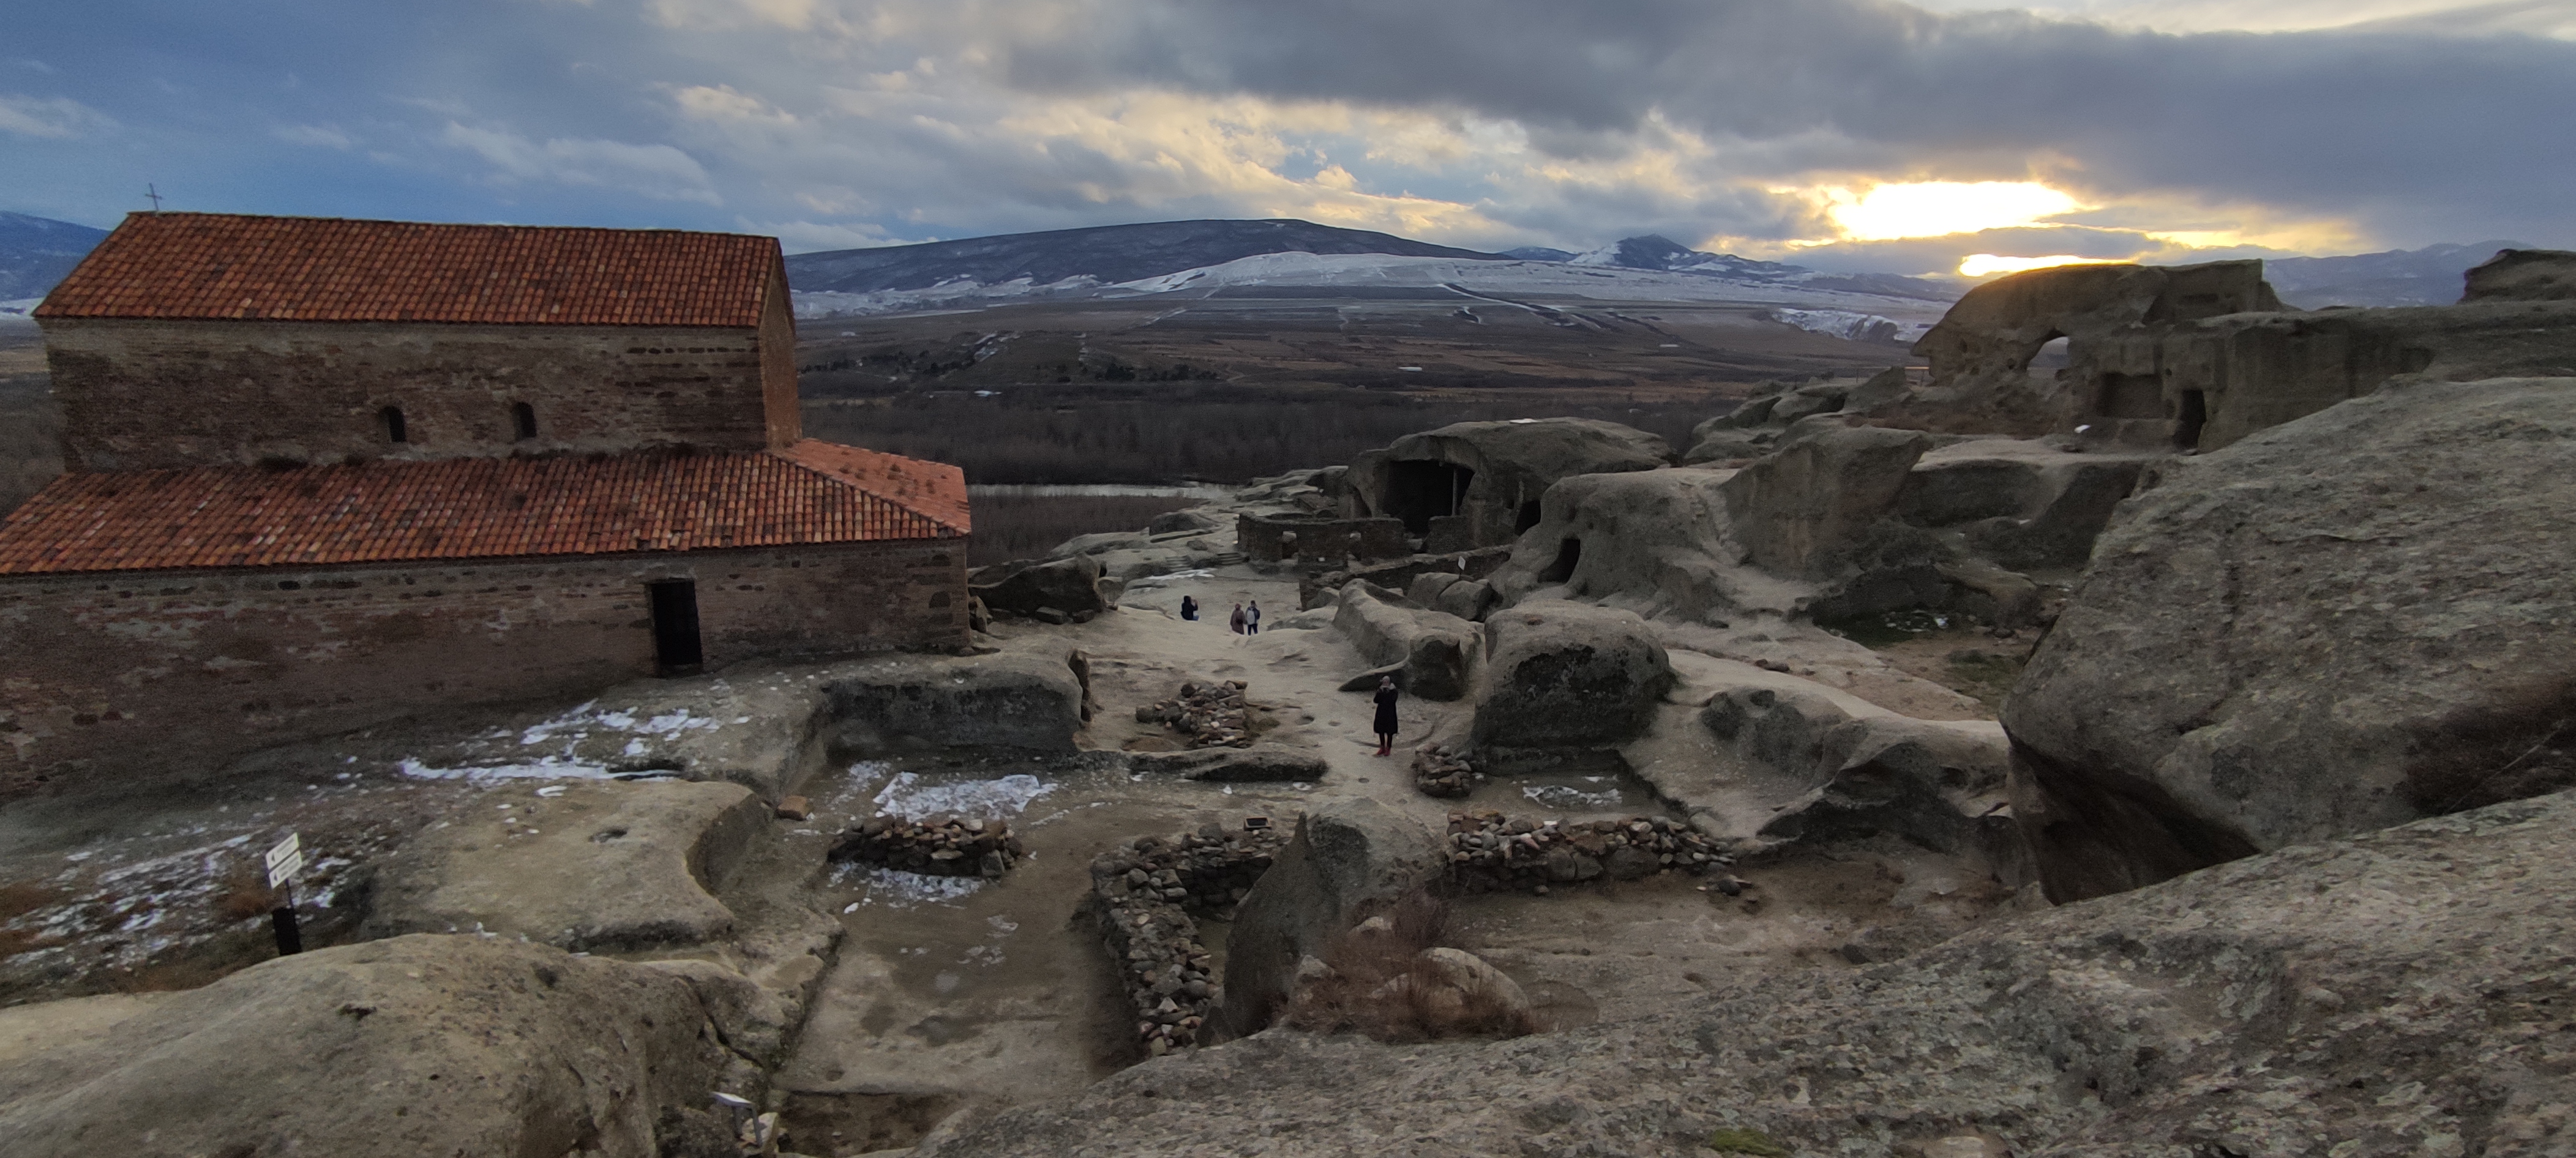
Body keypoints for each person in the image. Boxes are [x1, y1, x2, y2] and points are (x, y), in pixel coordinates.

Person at [1372, 674, 1400, 756]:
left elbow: (1393, 700)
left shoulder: (1394, 691)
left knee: (1389, 732)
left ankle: (1388, 748)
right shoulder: (1380, 690)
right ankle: (1382, 748)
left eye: (1387, 681)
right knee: (1381, 731)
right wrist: (1380, 692)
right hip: (1381, 713)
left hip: (1390, 714)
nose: (1385, 683)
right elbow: (1376, 701)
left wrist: (1386, 693)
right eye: (1384, 681)